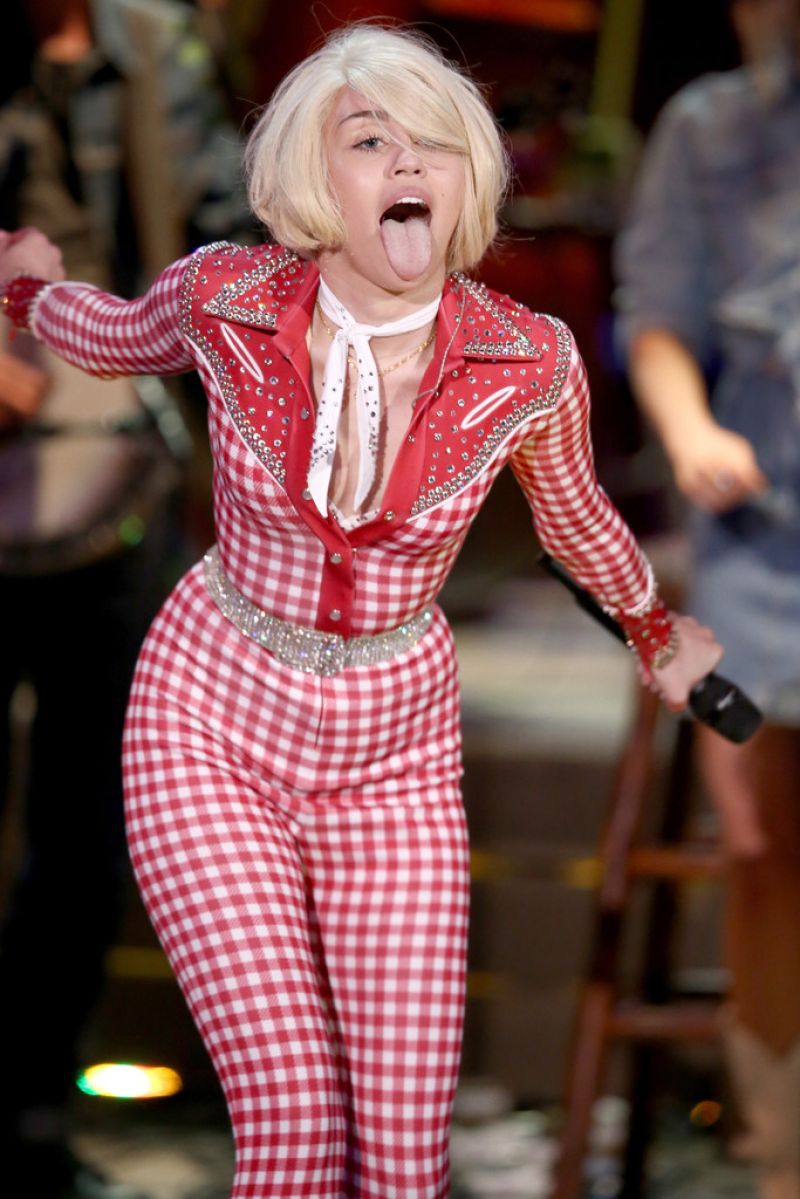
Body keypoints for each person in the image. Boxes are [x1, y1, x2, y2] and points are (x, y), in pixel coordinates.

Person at [0, 24, 724, 1199]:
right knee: (293, 1124)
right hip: (211, 718)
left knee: (399, 1159)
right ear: (310, 176)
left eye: (433, 144)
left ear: (468, 179)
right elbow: (114, 334)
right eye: (370, 141)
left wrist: (655, 630)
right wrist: (29, 287)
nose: (407, 164)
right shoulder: (225, 296)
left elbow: (575, 520)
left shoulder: (526, 361)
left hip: (392, 754)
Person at [0, 3, 250, 1197]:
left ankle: (28, 1111)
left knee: (94, 817)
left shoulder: (157, 48)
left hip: (121, 486)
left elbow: (225, 225)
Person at [615, 2, 800, 1196]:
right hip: (762, 521)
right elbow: (658, 318)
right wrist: (687, 431)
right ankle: (780, 1148)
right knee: (758, 840)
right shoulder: (711, 124)